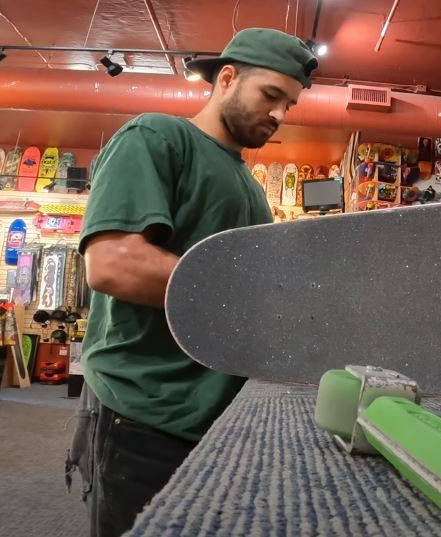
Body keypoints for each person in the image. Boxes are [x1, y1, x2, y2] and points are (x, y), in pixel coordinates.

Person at [65, 28, 318, 536]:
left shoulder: (247, 182)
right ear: (227, 78)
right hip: (145, 410)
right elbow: (114, 263)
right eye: (270, 96)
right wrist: (258, 296)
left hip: (216, 415)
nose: (279, 115)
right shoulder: (157, 136)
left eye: (289, 104)